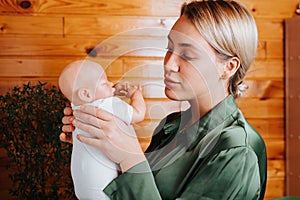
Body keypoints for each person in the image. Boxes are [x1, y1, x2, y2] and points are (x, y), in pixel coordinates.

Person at [60, 1, 267, 199]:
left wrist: (129, 157)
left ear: (229, 67)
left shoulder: (238, 152)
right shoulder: (171, 125)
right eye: (169, 48)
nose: (168, 64)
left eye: (187, 55)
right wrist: (96, 146)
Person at [58, 60, 146, 200]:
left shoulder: (76, 109)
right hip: (105, 187)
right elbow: (138, 114)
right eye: (105, 83)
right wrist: (136, 94)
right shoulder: (108, 104)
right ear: (86, 94)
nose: (111, 84)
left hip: (82, 187)